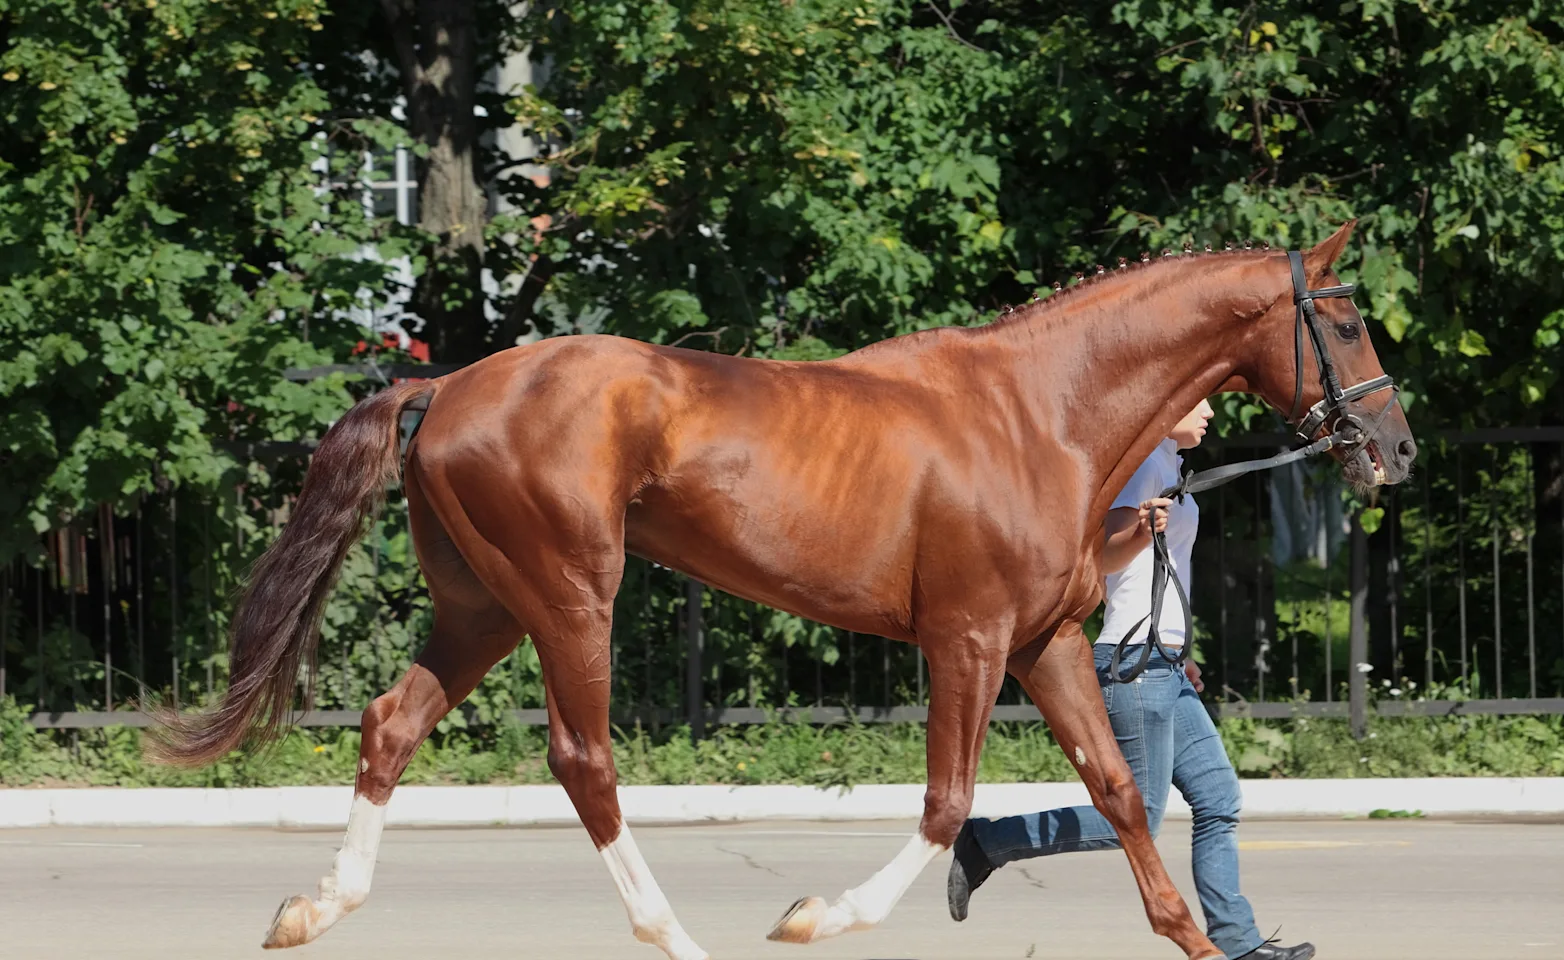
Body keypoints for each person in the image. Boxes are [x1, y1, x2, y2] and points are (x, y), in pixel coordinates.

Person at [947, 399, 1315, 960]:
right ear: (1166, 403)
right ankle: (988, 840)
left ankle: (1238, 944)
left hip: (1165, 662)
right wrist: (1142, 531)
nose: (1211, 411)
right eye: (1200, 402)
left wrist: (1180, 650)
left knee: (1218, 798)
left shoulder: (1169, 464)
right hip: (1134, 664)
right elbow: (1102, 557)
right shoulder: (1140, 464)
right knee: (1133, 817)